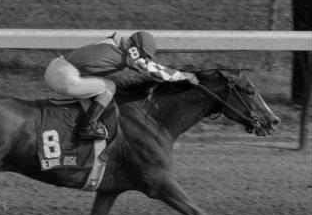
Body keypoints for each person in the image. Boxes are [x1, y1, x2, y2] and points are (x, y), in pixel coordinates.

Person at [44, 31, 199, 141]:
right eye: (143, 55)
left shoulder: (114, 43)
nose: (143, 59)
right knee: (109, 87)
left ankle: (79, 123)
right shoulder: (123, 54)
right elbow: (154, 71)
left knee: (95, 90)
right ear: (135, 49)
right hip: (64, 75)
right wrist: (184, 76)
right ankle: (87, 127)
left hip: (57, 66)